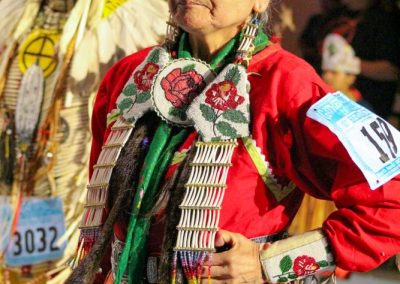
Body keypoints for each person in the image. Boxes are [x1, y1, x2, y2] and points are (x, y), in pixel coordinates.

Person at [68, 0, 400, 283]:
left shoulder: (286, 85)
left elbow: (392, 201)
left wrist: (271, 264)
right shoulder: (131, 76)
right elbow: (105, 217)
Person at [331, 0, 400, 119]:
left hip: (368, 109)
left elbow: (392, 71)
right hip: (337, 102)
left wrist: (347, 63)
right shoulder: (339, 14)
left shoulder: (387, 17)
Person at [321, 33, 371, 109]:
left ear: (350, 78)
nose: (326, 76)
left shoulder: (362, 108)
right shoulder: (318, 103)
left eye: (334, 73)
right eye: (325, 72)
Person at [299, 0, 348, 73]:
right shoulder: (315, 20)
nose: (324, 3)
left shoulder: (344, 22)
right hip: (313, 66)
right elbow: (302, 42)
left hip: (334, 68)